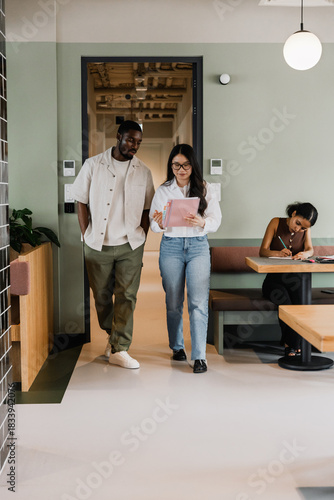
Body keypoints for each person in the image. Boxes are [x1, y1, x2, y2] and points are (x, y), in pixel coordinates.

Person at [71, 120, 155, 369]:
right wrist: (86, 234)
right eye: (130, 139)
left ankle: (120, 348)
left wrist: (142, 235)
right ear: (118, 136)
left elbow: (148, 207)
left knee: (128, 296)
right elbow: (80, 201)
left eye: (138, 142)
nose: (134, 145)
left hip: (131, 244)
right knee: (102, 297)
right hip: (98, 244)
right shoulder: (93, 165)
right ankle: (113, 335)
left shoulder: (143, 171)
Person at [149, 144, 222, 373]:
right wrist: (159, 223)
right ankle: (177, 346)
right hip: (171, 246)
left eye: (186, 164)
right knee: (173, 300)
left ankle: (200, 356)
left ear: (193, 165)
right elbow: (153, 224)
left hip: (198, 246)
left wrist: (203, 223)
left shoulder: (204, 188)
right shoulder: (163, 190)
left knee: (198, 301)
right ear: (171, 165)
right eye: (176, 165)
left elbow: (216, 220)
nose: (181, 169)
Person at [259, 202, 318, 357]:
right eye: (297, 223)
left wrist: (305, 254)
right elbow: (262, 251)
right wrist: (278, 253)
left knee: (301, 303)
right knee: (286, 304)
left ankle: (292, 344)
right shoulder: (275, 222)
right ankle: (293, 344)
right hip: (274, 280)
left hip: (295, 279)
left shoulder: (306, 229)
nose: (298, 229)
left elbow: (310, 249)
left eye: (303, 228)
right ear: (293, 213)